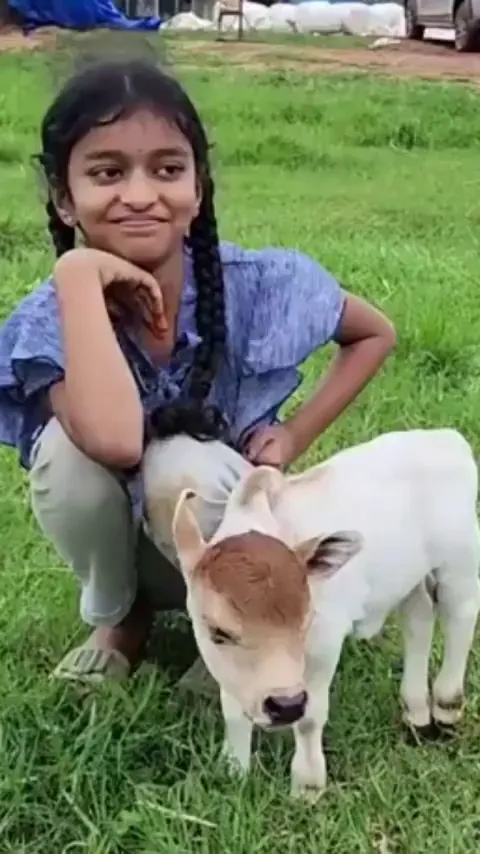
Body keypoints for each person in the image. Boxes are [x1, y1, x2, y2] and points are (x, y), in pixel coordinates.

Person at [0, 57, 396, 686]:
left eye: (167, 169)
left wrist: (294, 435)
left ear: (199, 187)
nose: (139, 195)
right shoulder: (50, 319)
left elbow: (375, 333)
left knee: (180, 462)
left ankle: (244, 628)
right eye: (107, 173)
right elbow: (116, 443)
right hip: (130, 551)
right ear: (64, 198)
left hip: (234, 529)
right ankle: (122, 621)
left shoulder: (258, 282)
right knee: (64, 454)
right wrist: (79, 276)